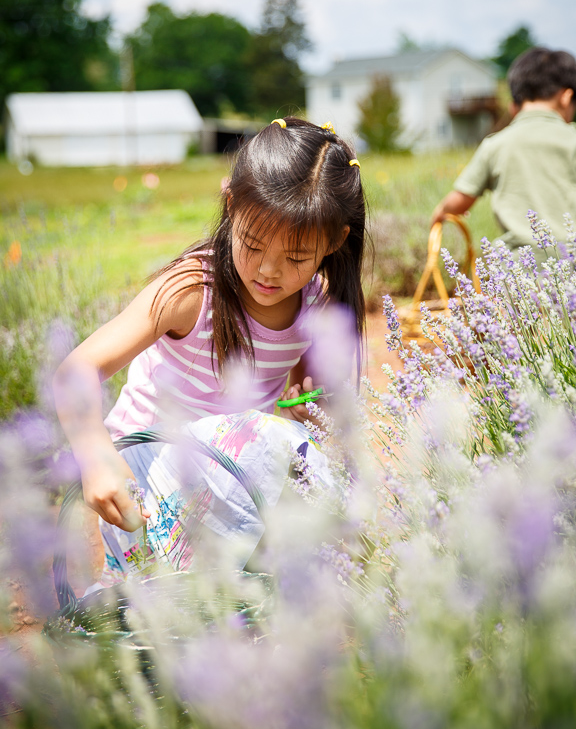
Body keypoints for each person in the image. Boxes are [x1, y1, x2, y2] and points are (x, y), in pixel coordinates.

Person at [54, 117, 366, 580]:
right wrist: (95, 455)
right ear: (231, 205)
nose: (268, 271)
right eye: (252, 245)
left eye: (296, 258)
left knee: (314, 478)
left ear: (335, 241)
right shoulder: (192, 291)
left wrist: (302, 407)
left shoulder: (315, 306)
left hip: (227, 482)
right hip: (143, 480)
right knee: (275, 446)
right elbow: (75, 370)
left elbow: (300, 401)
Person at [431, 48, 576, 254]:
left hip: (515, 267)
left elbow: (459, 201)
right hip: (574, 264)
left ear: (513, 106)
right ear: (567, 97)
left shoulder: (495, 145)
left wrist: (439, 214)